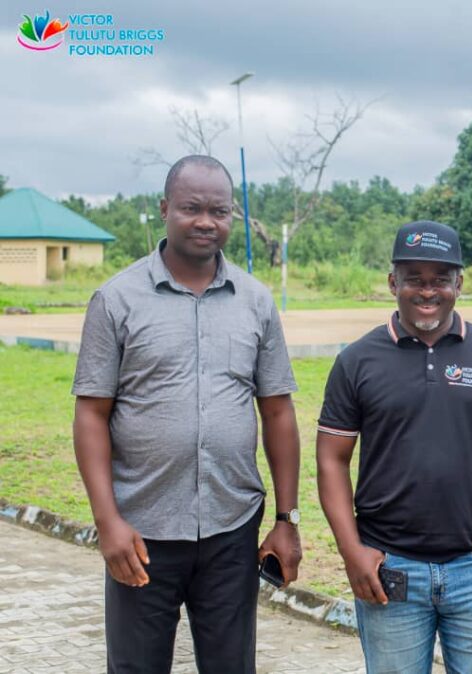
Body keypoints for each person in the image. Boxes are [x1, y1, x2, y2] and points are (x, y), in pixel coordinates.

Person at [72, 155, 303, 674]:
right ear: (164, 209)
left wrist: (286, 520)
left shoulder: (255, 301)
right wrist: (108, 523)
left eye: (219, 211)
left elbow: (277, 412)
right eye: (191, 208)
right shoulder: (116, 300)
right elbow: (91, 416)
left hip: (232, 526)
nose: (206, 221)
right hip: (141, 531)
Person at [316, 220, 472, 674]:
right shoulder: (356, 361)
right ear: (392, 282)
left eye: (441, 279)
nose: (428, 291)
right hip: (389, 567)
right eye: (414, 278)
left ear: (460, 284)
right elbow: (332, 459)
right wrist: (352, 551)